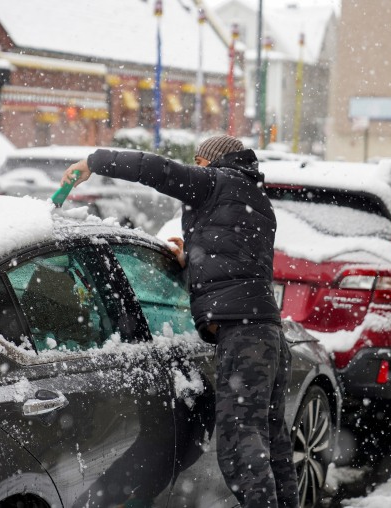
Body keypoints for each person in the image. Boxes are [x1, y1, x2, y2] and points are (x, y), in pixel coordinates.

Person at [60, 135, 298, 508]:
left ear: (208, 161)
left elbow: (154, 168)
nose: (195, 169)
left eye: (198, 162)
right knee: (272, 443)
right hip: (268, 334)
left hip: (242, 336)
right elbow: (239, 262)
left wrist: (94, 161)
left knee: (239, 451)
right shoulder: (256, 201)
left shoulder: (215, 181)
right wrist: (194, 259)